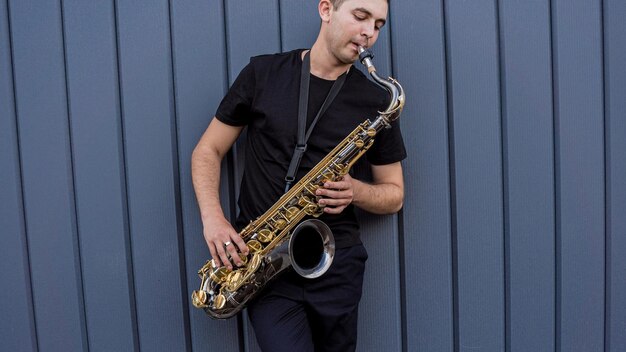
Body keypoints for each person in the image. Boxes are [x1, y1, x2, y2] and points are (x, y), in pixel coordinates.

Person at [191, 0, 405, 350]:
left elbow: (395, 193)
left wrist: (356, 192)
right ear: (326, 10)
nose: (370, 32)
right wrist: (213, 219)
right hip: (263, 265)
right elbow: (207, 150)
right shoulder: (263, 74)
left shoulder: (377, 101)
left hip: (336, 265)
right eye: (360, 16)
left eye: (379, 24)